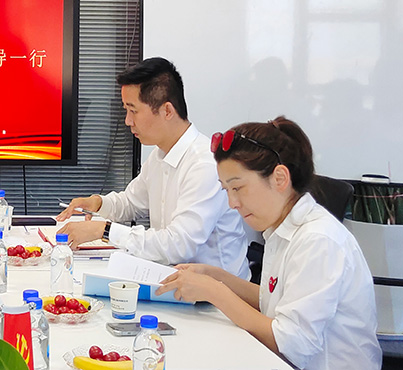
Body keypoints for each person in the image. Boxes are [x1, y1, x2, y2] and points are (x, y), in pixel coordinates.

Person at [156, 117, 381, 370]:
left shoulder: (318, 240)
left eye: (237, 188)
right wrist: (215, 276)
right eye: (226, 190)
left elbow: (292, 344)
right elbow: (272, 300)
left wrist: (214, 292)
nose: (232, 203)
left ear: (280, 178)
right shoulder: (281, 229)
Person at [57, 57, 249, 277]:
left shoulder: (204, 164)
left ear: (167, 111)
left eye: (133, 111)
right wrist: (97, 203)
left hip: (217, 293)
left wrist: (105, 230)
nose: (128, 121)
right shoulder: (160, 155)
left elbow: (179, 245)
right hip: (175, 279)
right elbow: (130, 203)